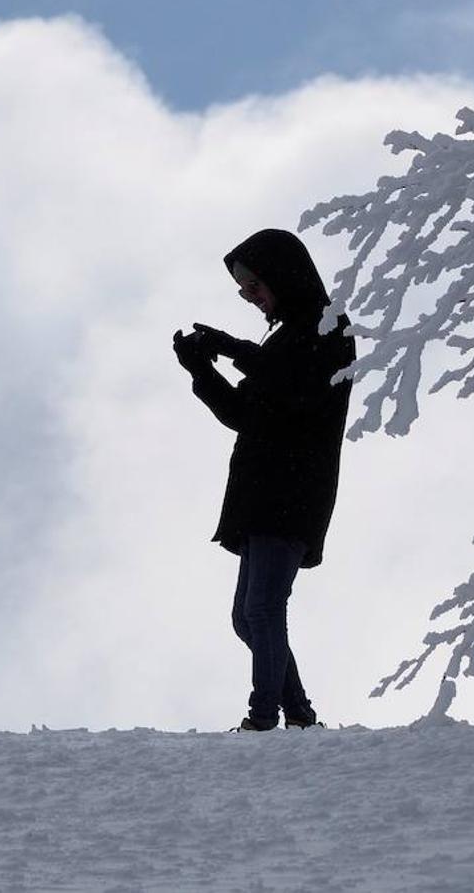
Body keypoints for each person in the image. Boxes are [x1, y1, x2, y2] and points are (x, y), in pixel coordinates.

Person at [172, 229, 355, 731]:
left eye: (255, 286)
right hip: (261, 493)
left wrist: (231, 348)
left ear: (282, 277)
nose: (251, 298)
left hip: (293, 492)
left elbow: (295, 384)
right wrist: (201, 372)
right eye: (244, 290)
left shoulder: (328, 328)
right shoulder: (280, 341)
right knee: (247, 616)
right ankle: (297, 715)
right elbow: (242, 411)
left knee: (263, 607)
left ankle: (265, 718)